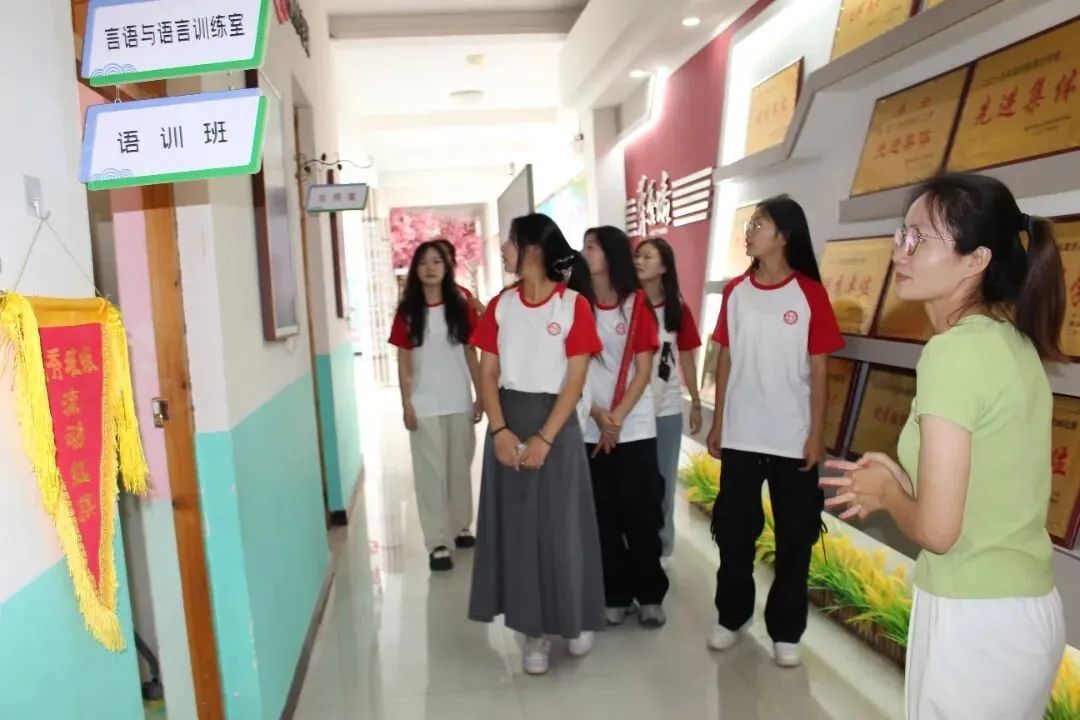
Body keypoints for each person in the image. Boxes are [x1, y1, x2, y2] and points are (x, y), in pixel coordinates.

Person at [822, 174, 1067, 719]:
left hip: (976, 624)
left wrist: (889, 494)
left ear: (975, 259)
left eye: (919, 239)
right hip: (1017, 615)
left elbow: (938, 530)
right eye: (900, 234)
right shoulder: (1011, 343)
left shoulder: (953, 353)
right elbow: (985, 488)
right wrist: (901, 481)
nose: (900, 251)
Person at [704, 195, 844, 668]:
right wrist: (720, 421)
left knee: (795, 539)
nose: (749, 232)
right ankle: (732, 616)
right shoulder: (735, 293)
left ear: (783, 236)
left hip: (792, 437)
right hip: (742, 434)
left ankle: (786, 630)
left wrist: (816, 434)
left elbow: (820, 369)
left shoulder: (809, 293)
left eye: (758, 224)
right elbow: (725, 358)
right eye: (749, 224)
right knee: (734, 533)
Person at [468, 213, 606, 676]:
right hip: (509, 421)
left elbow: (576, 380)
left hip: (558, 426)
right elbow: (487, 372)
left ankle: (575, 615)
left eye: (510, 241)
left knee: (564, 526)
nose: (504, 249)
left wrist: (546, 437)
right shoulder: (500, 306)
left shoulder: (573, 305)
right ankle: (534, 633)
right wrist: (500, 431)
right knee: (521, 531)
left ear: (534, 249)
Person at [583, 226, 668, 628]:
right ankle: (614, 594)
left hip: (633, 428)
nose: (585, 253)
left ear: (610, 255)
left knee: (642, 513)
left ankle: (650, 594)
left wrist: (615, 419)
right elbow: (571, 372)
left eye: (592, 247)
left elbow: (643, 371)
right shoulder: (576, 306)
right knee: (602, 515)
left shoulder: (636, 306)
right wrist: (598, 416)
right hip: (591, 426)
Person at [388, 241, 483, 571]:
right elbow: (403, 360)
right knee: (430, 475)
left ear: (447, 268)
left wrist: (481, 395)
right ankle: (437, 542)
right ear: (415, 269)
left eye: (437, 262)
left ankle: (460, 527)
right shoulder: (407, 313)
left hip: (458, 400)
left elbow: (471, 352)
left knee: (459, 469)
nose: (430, 268)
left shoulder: (461, 307)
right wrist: (406, 404)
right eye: (424, 262)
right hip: (424, 403)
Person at [635, 236, 704, 566]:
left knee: (663, 479)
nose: (639, 261)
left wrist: (696, 401)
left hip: (667, 408)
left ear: (664, 267)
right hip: (632, 410)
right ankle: (633, 543)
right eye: (638, 256)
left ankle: (662, 546)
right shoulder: (628, 305)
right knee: (635, 482)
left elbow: (686, 357)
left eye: (648, 256)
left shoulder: (677, 309)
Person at [435, 238, 487, 315]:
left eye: (445, 254)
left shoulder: (464, 294)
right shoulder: (417, 294)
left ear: (452, 262)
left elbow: (472, 322)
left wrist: (482, 309)